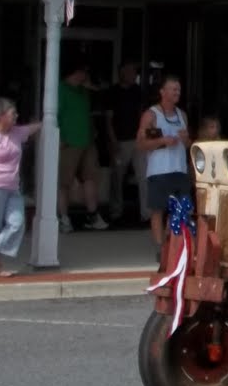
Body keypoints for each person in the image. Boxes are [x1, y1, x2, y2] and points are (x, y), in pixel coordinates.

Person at [0, 98, 41, 277]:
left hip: (12, 188)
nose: (16, 116)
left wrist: (49, 119)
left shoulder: (17, 132)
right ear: (1, 116)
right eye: (12, 113)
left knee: (17, 224)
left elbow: (34, 127)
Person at [137, 76, 190, 249]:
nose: (177, 92)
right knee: (158, 209)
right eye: (173, 89)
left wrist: (186, 139)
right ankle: (160, 247)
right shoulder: (151, 114)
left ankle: (174, 244)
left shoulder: (182, 115)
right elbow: (141, 143)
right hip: (159, 170)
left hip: (179, 169)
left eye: (178, 89)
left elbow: (189, 144)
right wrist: (162, 141)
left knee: (181, 209)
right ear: (162, 92)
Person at [57, 62, 107, 231]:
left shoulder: (84, 91)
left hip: (87, 142)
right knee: (64, 182)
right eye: (82, 72)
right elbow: (54, 114)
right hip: (68, 142)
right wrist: (60, 138)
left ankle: (92, 215)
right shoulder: (60, 89)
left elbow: (100, 96)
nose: (85, 76)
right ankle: (63, 218)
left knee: (90, 178)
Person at [103, 61, 148, 225]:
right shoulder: (112, 92)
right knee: (117, 177)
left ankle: (146, 214)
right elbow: (109, 119)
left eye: (134, 71)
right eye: (129, 71)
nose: (133, 74)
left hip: (138, 140)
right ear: (121, 72)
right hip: (120, 141)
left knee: (143, 176)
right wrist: (113, 140)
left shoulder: (138, 91)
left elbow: (143, 114)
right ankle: (116, 212)